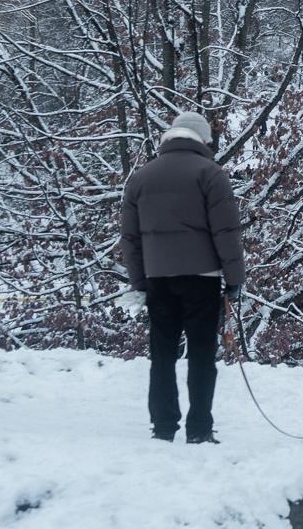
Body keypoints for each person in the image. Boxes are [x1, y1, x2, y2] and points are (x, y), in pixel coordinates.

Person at [121, 110, 246, 444]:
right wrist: (234, 278)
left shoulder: (141, 177)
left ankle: (163, 426)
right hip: (202, 278)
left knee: (162, 355)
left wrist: (140, 281)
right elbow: (226, 232)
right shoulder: (210, 173)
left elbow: (130, 237)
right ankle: (199, 428)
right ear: (203, 139)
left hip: (158, 277)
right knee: (202, 355)